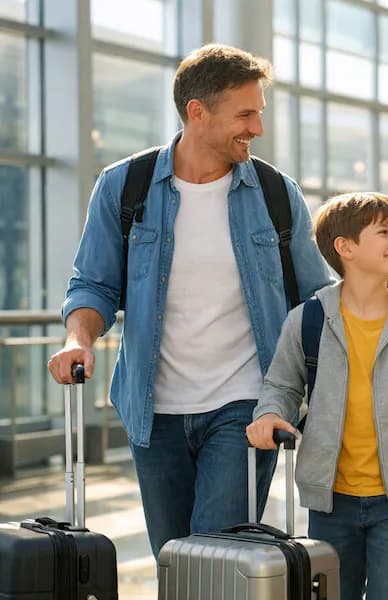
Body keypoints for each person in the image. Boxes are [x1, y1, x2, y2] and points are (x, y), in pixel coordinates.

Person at [46, 44, 334, 560]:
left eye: (259, 114)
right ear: (196, 112)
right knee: (174, 560)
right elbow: (93, 284)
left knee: (215, 558)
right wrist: (77, 340)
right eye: (245, 114)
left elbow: (317, 298)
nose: (257, 129)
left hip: (246, 405)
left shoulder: (273, 192)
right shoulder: (124, 187)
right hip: (152, 413)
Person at [246, 192, 388, 600]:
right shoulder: (308, 319)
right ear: (344, 247)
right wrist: (270, 413)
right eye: (383, 232)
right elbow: (281, 385)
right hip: (331, 503)